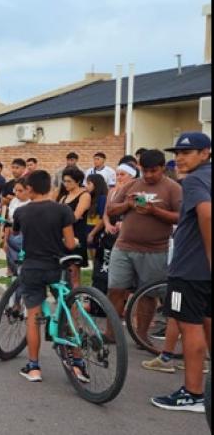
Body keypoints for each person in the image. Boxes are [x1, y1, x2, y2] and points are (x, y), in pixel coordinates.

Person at [151, 132, 211, 412]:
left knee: (189, 326)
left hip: (189, 269)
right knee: (207, 323)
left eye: (187, 153)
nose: (180, 159)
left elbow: (207, 214)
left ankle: (193, 393)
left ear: (205, 152)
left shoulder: (197, 179)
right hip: (203, 272)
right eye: (177, 153)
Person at [104, 150, 180, 343]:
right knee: (116, 289)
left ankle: (142, 335)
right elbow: (111, 209)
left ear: (162, 168)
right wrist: (127, 205)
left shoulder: (173, 188)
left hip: (155, 250)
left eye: (153, 171)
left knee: (149, 294)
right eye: (144, 170)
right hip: (124, 247)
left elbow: (180, 216)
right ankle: (110, 333)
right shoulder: (132, 185)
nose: (148, 175)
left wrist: (154, 210)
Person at [11, 170, 79, 383]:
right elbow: (69, 244)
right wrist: (74, 242)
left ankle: (34, 367)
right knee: (69, 311)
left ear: (29, 188)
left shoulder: (21, 212)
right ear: (50, 186)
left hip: (31, 267)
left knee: (33, 316)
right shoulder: (62, 210)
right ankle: (77, 364)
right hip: (56, 267)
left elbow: (15, 234)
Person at [56, 167, 91, 288]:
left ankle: (76, 303)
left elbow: (75, 216)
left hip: (76, 235)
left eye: (69, 181)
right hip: (63, 235)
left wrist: (65, 217)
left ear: (78, 181)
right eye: (64, 181)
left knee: (74, 273)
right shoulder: (64, 197)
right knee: (63, 273)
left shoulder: (84, 195)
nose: (66, 184)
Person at [3, 180, 30, 274]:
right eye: (16, 190)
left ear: (28, 190)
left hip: (26, 238)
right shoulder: (14, 201)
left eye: (20, 191)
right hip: (12, 235)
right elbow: (8, 222)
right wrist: (5, 240)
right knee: (14, 265)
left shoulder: (31, 203)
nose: (17, 193)